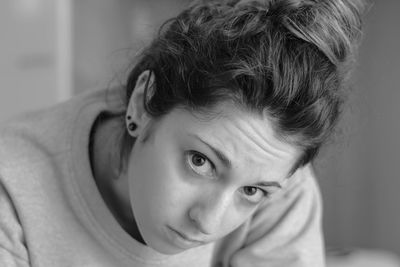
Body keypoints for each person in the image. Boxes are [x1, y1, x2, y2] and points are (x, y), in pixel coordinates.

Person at [0, 0, 365, 266]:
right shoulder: (13, 188)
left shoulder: (281, 182)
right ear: (144, 103)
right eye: (200, 162)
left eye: (251, 192)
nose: (208, 222)